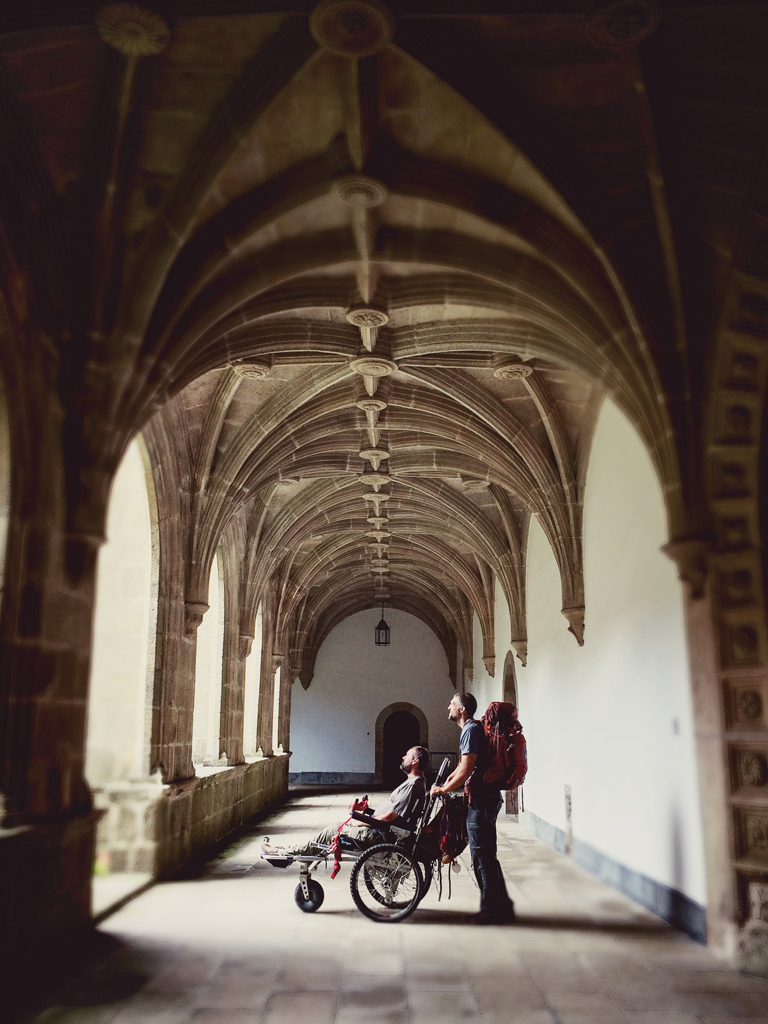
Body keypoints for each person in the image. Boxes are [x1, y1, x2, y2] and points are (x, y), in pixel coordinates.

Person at [431, 693, 515, 924]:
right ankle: (502, 906)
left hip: (481, 800)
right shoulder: (472, 729)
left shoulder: (469, 730)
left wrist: (444, 790)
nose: (448, 706)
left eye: (452, 704)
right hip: (485, 799)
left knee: (482, 857)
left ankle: (491, 912)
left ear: (462, 709)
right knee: (487, 855)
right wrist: (447, 783)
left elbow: (467, 769)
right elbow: (462, 767)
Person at [261, 745, 429, 858]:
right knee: (336, 829)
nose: (403, 757)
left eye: (406, 756)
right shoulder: (417, 783)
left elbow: (388, 818)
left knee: (333, 829)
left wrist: (364, 822)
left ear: (415, 761)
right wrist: (368, 812)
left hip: (380, 834)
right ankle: (288, 850)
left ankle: (285, 852)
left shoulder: (412, 785)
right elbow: (392, 816)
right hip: (382, 830)